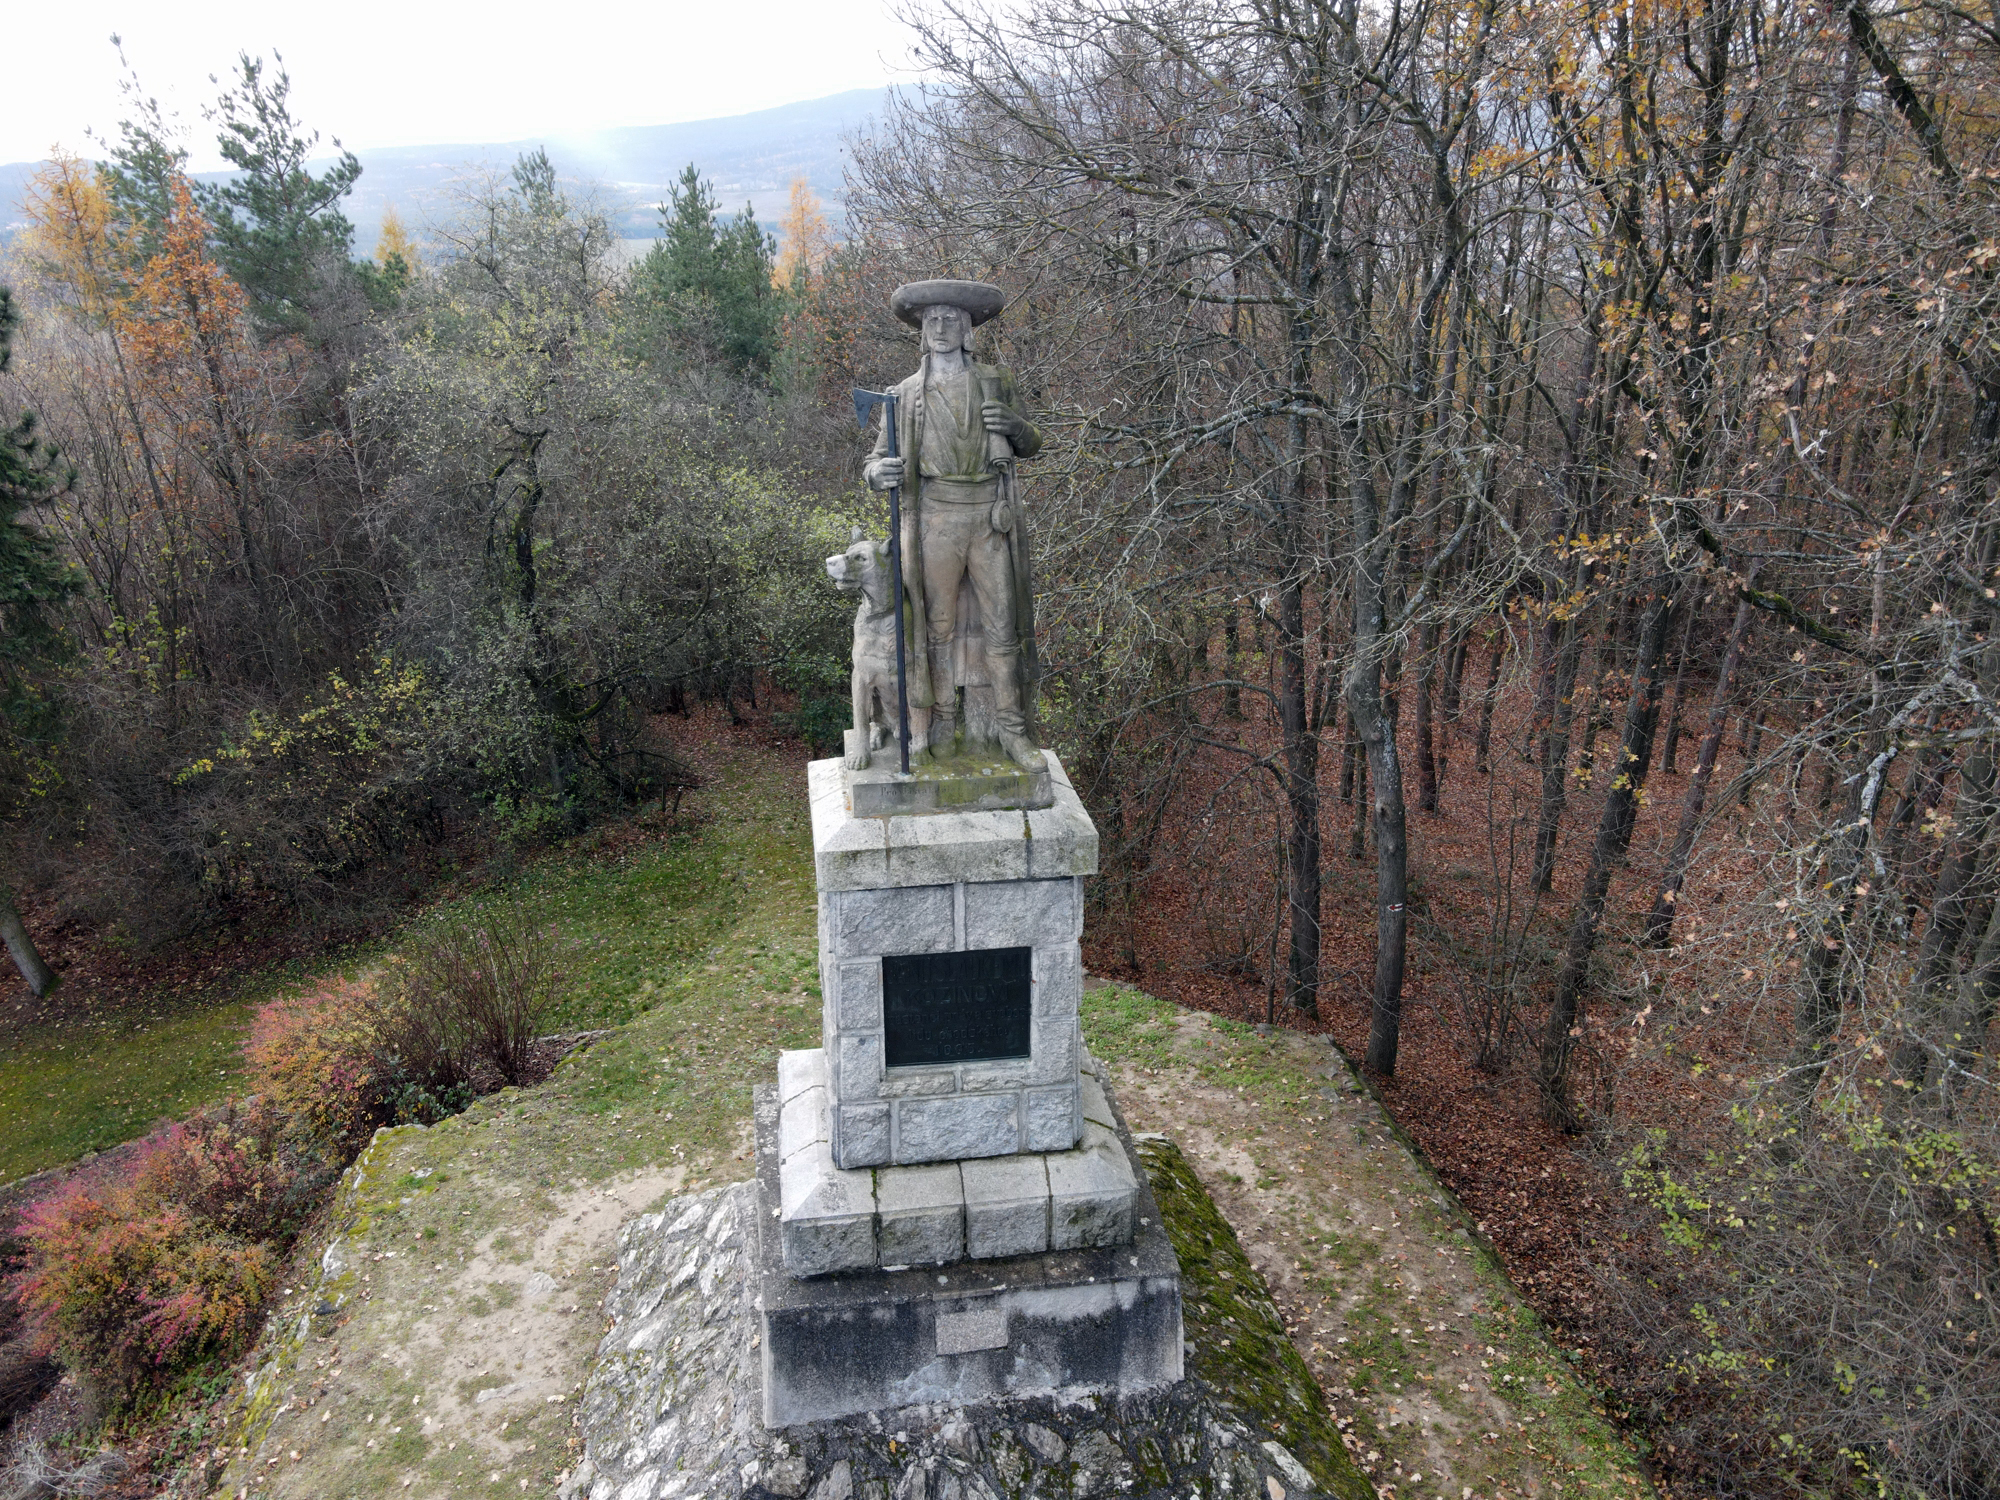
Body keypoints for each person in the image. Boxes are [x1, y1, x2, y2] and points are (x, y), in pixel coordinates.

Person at [863, 279, 1045, 770]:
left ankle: (1011, 729)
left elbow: (1032, 442)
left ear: (967, 328)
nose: (940, 328)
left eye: (950, 320)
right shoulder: (903, 395)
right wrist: (879, 472)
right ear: (921, 333)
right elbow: (875, 462)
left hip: (989, 517)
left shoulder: (995, 379)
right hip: (934, 521)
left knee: (1001, 629)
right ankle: (942, 717)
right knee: (936, 630)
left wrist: (1012, 426)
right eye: (931, 321)